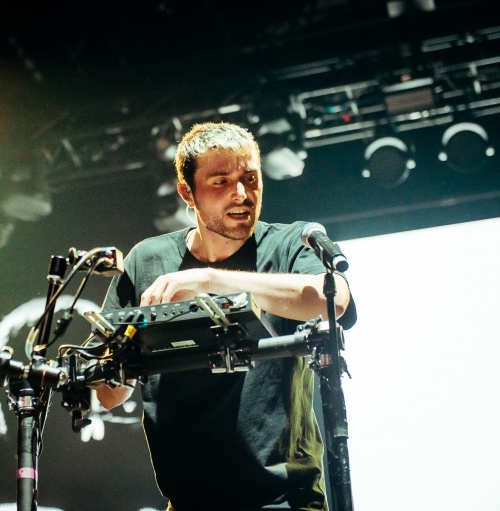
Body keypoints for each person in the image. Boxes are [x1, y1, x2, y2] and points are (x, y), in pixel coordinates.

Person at [95, 122, 357, 510]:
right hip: (187, 503)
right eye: (221, 181)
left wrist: (210, 280)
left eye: (250, 178)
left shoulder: (287, 243)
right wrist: (127, 353)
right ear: (188, 193)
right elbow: (108, 394)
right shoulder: (147, 260)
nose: (242, 193)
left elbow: (332, 300)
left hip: (284, 498)